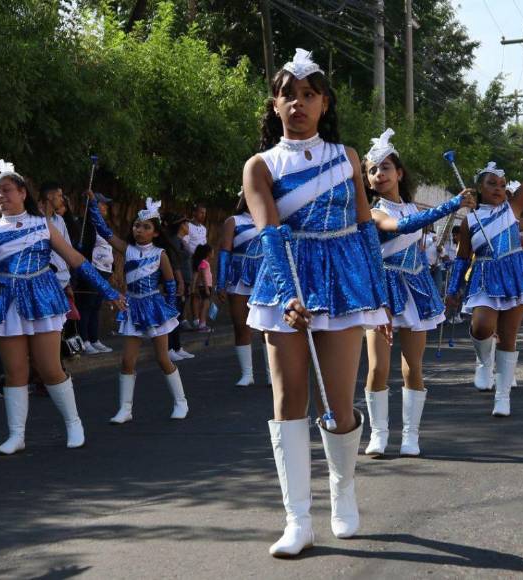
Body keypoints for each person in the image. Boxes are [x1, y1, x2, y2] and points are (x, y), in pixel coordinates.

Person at [244, 49, 389, 557]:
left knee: (339, 401)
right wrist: (287, 294)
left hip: (345, 279)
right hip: (287, 278)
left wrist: (381, 300)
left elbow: (366, 227)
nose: (298, 104)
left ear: (324, 103)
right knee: (288, 401)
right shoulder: (259, 165)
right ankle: (298, 519)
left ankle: (343, 491)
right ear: (275, 104)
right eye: (289, 95)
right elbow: (268, 233)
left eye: (309, 95)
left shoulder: (348, 158)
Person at [0, 167, 125, 455]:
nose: (0, 196)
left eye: (6, 190)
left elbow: (76, 259)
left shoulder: (42, 225)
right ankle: (16, 436)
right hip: (7, 302)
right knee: (15, 372)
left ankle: (73, 423)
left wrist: (109, 291)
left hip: (42, 298)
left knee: (50, 368)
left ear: (22, 193)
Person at [361, 128, 476, 458]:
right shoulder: (373, 213)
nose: (379, 174)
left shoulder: (415, 209)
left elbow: (418, 221)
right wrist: (452, 203)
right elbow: (401, 228)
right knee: (377, 368)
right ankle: (379, 434)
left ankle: (410, 435)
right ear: (367, 180)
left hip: (416, 289)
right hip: (382, 291)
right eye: (372, 170)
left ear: (399, 172)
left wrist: (456, 206)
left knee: (413, 367)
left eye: (385, 167)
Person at [446, 125, 523, 416]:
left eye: (501, 184)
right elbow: (462, 258)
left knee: (509, 337)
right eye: (491, 184)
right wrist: (453, 290)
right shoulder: (470, 220)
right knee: (482, 326)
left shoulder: (512, 209)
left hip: (515, 273)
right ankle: (484, 361)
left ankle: (503, 395)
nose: (498, 188)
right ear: (479, 189)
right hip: (484, 276)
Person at [85, 193, 189, 424]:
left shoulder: (160, 254)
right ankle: (125, 409)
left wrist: (171, 311)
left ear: (156, 232)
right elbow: (104, 230)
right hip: (133, 307)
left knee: (162, 358)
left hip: (154, 308)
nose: (139, 230)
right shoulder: (127, 248)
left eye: (145, 227)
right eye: (136, 225)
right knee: (127, 361)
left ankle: (181, 401)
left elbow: (170, 284)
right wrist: (93, 204)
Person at [217, 193, 268, 387]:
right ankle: (247, 374)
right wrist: (221, 283)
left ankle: (272, 374)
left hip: (264, 278)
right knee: (241, 326)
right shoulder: (234, 221)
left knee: (267, 327)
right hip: (239, 279)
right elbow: (224, 252)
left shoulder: (270, 218)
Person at [76, 192, 114, 354]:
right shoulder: (85, 224)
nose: (105, 207)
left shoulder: (103, 225)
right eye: (102, 203)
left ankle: (94, 338)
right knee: (86, 305)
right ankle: (84, 340)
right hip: (92, 270)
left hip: (104, 270)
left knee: (96, 306)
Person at [165, 213, 195, 359]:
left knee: (178, 317)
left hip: (185, 281)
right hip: (177, 282)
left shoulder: (181, 241)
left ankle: (177, 347)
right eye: (186, 224)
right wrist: (181, 282)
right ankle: (169, 348)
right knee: (172, 316)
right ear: (180, 226)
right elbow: (174, 264)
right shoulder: (173, 242)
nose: (188, 227)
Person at [191, 244, 213, 330]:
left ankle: (202, 323)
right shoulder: (204, 263)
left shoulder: (205, 263)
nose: (213, 253)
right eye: (212, 252)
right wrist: (207, 288)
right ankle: (202, 324)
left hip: (205, 286)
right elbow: (203, 276)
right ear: (208, 253)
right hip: (205, 286)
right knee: (205, 305)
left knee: (205, 305)